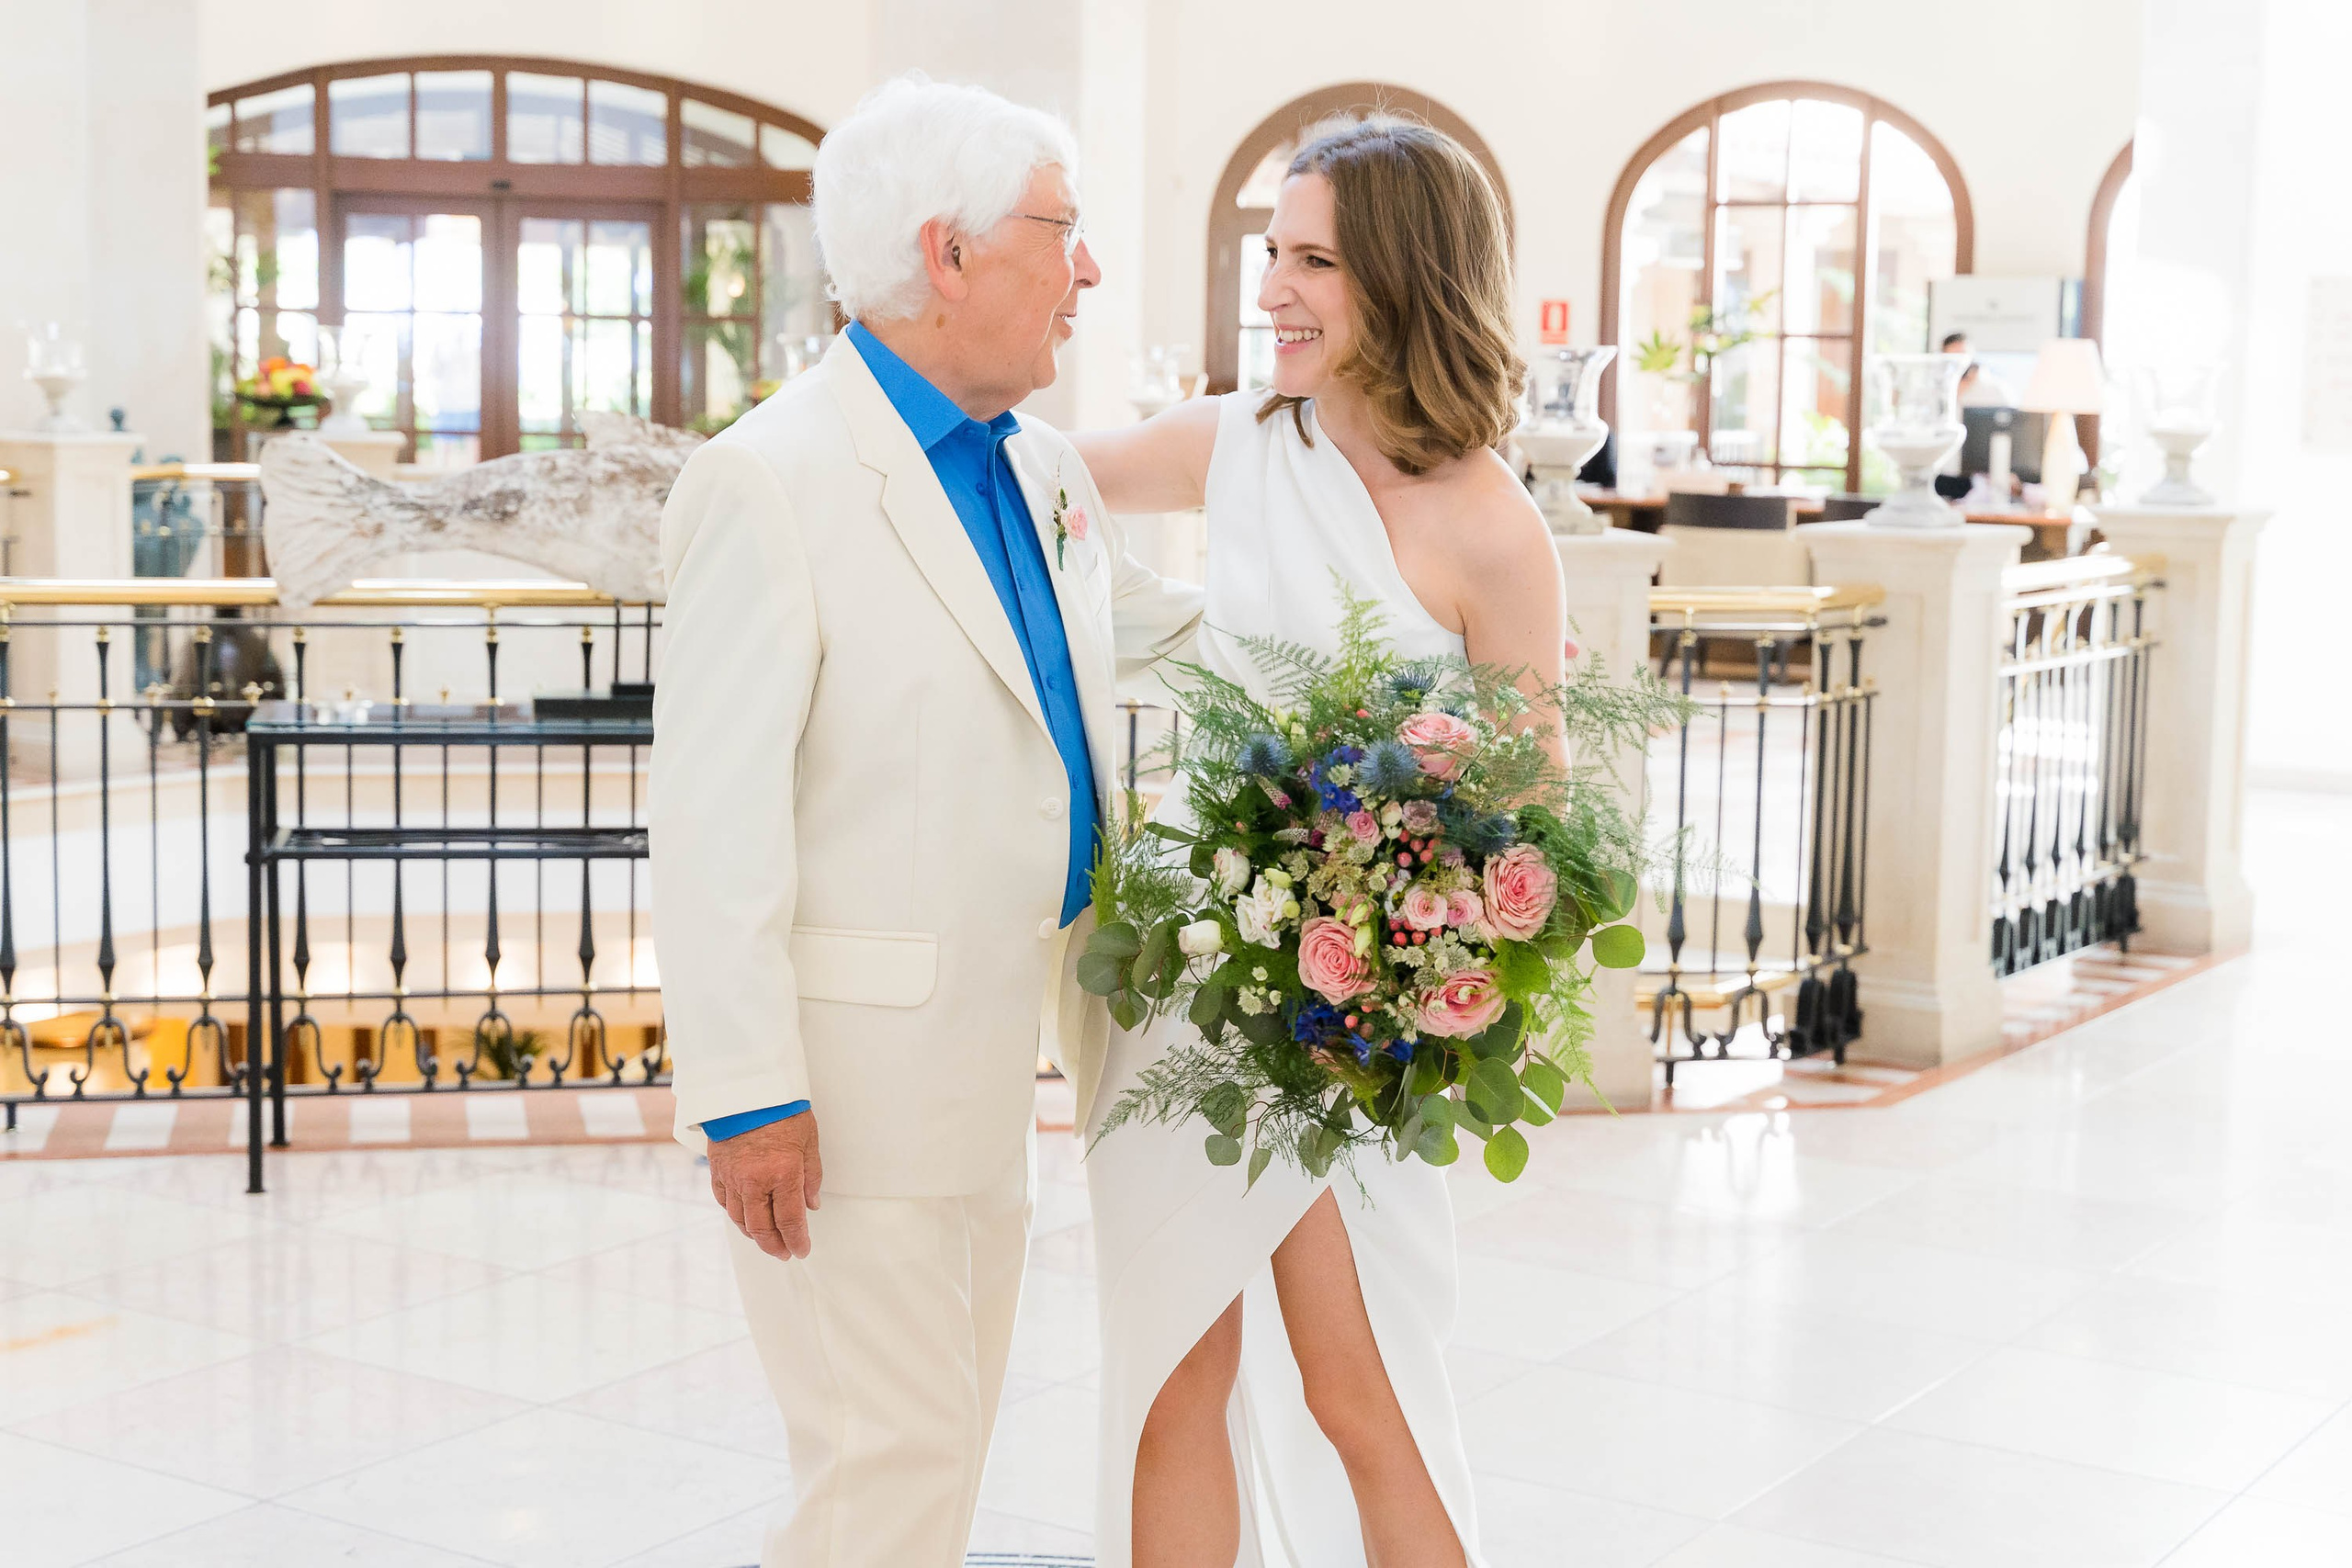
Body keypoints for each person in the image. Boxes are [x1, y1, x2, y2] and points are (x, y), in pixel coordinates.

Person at [650, 75, 1201, 1568]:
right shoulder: (769, 479)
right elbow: (711, 822)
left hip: (984, 1060)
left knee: (933, 1448)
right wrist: (747, 1091)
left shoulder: (1033, 466)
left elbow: (1168, 636)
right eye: (1062, 232)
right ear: (946, 252)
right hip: (845, 1093)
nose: (1086, 268)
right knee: (886, 1463)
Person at [1067, 118, 1560, 1568]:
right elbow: (1035, 478)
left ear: (1404, 278)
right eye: (1270, 254)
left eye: (1313, 259)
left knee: (1365, 1391)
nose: (1273, 287)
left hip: (1354, 1028)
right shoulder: (1234, 440)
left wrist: (1404, 946)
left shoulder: (1491, 527)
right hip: (1180, 977)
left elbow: (1537, 818)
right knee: (1173, 1375)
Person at [1941, 330, 2017, 408]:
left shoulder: (1996, 387)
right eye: (1954, 357)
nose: (1959, 364)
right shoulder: (1941, 389)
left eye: (1962, 355)